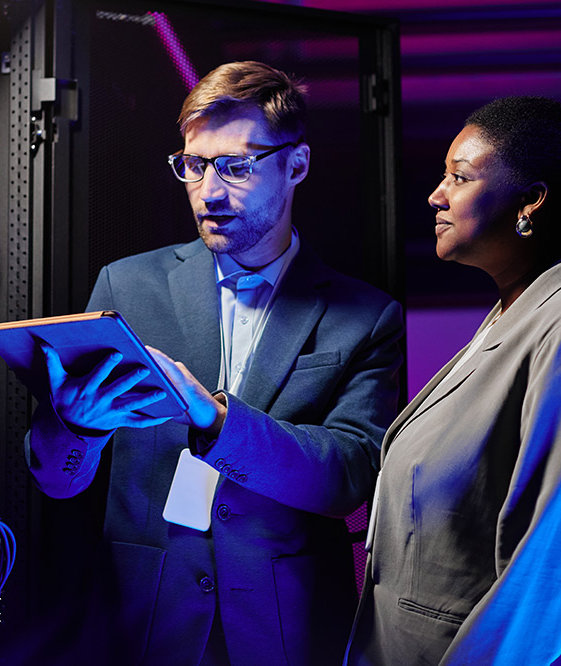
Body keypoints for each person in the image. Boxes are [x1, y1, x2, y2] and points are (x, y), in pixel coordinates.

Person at [26, 61, 404, 666]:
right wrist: (76, 429)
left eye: (236, 166)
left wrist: (219, 422)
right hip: (143, 621)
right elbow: (58, 480)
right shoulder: (125, 286)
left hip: (286, 628)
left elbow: (350, 478)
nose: (209, 191)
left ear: (296, 165)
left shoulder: (366, 316)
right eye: (194, 166)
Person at [345, 96, 561, 664]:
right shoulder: (521, 313)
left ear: (531, 201)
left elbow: (558, 569)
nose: (436, 194)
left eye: (460, 177)